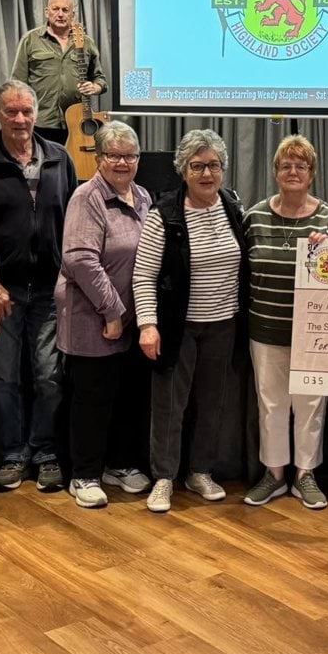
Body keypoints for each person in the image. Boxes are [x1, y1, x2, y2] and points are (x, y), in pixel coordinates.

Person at [0, 81, 77, 494]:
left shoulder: (59, 157)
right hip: (1, 293)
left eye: (27, 110)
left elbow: (71, 221)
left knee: (48, 377)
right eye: (11, 111)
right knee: (4, 379)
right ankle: (12, 455)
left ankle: (44, 452)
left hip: (49, 290)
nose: (21, 119)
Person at [133, 129, 249, 513]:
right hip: (176, 327)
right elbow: (144, 275)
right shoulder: (162, 214)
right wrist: (148, 324)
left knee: (212, 403)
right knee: (169, 406)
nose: (206, 173)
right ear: (183, 170)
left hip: (222, 325)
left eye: (213, 165)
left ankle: (199, 471)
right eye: (197, 166)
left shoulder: (233, 206)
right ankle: (164, 477)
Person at [242, 135, 328, 510]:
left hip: (313, 334)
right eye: (286, 165)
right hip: (264, 329)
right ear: (275, 172)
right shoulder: (253, 216)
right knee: (271, 404)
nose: (293, 171)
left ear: (312, 174)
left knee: (311, 405)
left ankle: (305, 475)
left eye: (301, 166)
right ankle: (274, 473)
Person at [57, 121, 154, 508]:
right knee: (92, 398)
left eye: (129, 155)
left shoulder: (142, 195)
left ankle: (120, 464)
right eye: (113, 155)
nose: (122, 162)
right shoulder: (87, 197)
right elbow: (80, 258)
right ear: (98, 159)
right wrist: (113, 311)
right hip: (92, 316)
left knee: (127, 395)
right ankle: (83, 474)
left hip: (131, 318)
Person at [9, 0, 106, 143]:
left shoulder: (86, 43)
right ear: (47, 12)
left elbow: (100, 78)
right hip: (40, 122)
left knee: (74, 166)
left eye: (65, 10)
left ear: (72, 14)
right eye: (55, 9)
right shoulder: (30, 40)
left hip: (76, 124)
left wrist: (95, 87)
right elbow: (17, 83)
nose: (60, 14)